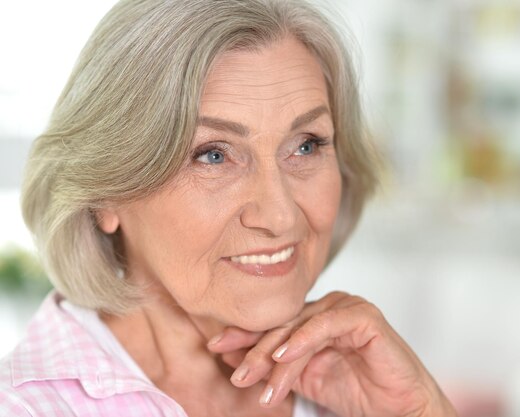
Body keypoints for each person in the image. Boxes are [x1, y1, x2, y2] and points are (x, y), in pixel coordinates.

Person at [0, 0, 457, 416]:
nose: (280, 216)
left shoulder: (358, 389)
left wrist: (421, 410)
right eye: (213, 154)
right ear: (105, 195)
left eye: (306, 145)